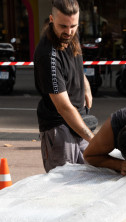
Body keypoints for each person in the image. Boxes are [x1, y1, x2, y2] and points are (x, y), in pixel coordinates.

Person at [34, 0, 94, 172]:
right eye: (63, 26)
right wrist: (93, 139)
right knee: (62, 187)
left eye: (73, 26)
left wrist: (86, 86)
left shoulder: (72, 35)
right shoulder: (47, 55)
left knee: (89, 181)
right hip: (59, 128)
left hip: (79, 120)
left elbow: (75, 66)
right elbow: (64, 108)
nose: (68, 31)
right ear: (52, 19)